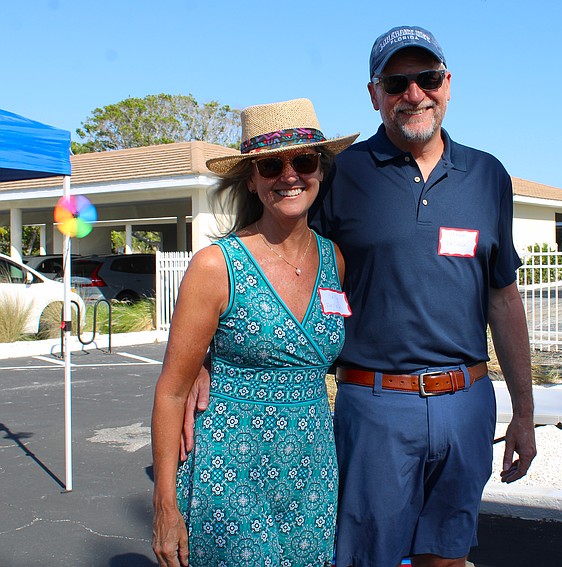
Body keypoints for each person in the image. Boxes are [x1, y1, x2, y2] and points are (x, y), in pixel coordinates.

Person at [184, 25, 536, 567]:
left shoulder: (488, 176)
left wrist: (523, 412)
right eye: (397, 82)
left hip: (467, 404)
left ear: (448, 84)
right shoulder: (337, 173)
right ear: (374, 94)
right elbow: (277, 253)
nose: (413, 94)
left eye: (427, 78)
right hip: (376, 408)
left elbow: (503, 300)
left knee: (446, 557)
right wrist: (211, 355)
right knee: (367, 558)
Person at [151, 98, 358, 567]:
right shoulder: (215, 265)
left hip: (312, 475)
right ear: (252, 178)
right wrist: (165, 504)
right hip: (230, 473)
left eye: (303, 161)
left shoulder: (334, 260)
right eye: (270, 164)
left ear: (320, 171)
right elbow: (171, 390)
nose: (289, 175)